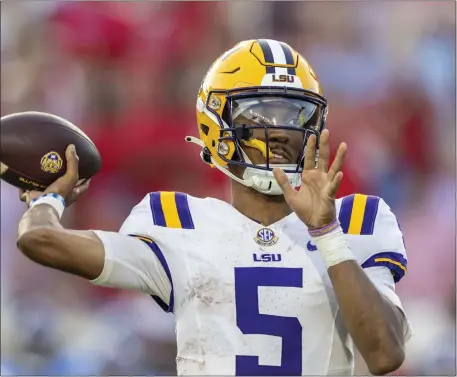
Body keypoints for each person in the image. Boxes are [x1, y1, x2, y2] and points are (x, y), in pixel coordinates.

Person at [16, 39, 412, 375]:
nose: (282, 133)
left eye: (295, 116)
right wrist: (51, 197)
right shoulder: (176, 222)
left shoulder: (357, 221)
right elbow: (41, 241)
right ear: (215, 125)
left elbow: (385, 355)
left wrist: (326, 233)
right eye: (260, 116)